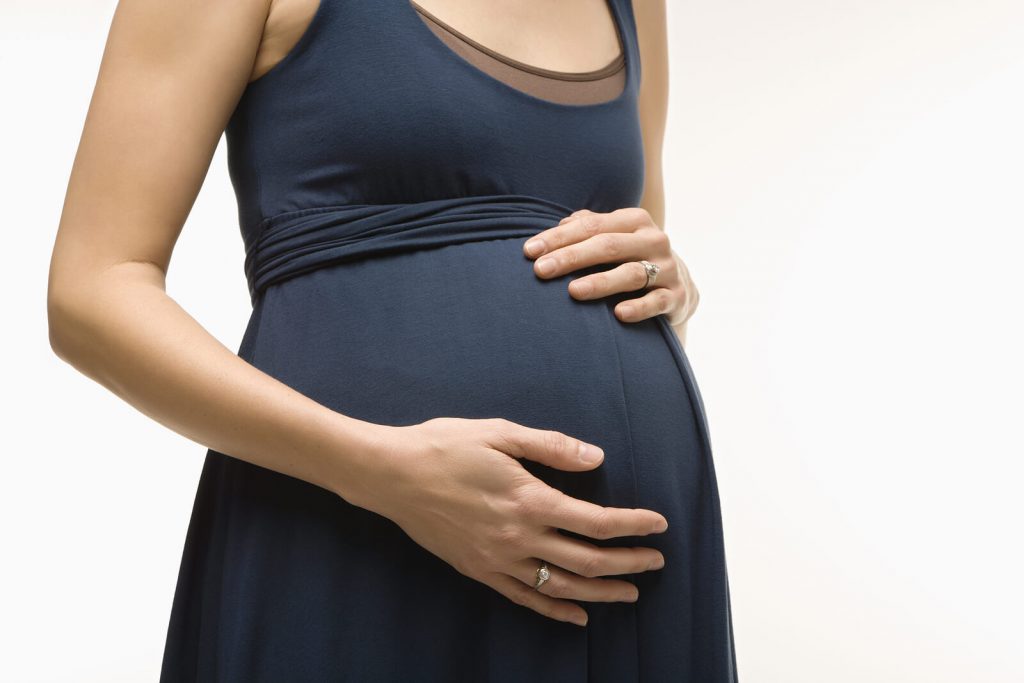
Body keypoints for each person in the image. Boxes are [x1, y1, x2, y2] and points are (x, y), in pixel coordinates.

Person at [47, 0, 737, 680]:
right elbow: (91, 291)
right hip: (351, 530)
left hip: (620, 569)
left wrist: (673, 286)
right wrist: (379, 471)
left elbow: (631, 241)